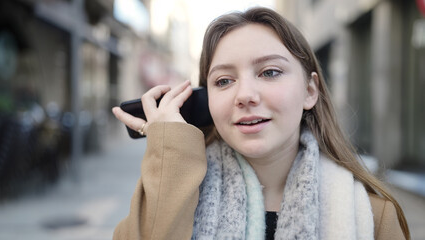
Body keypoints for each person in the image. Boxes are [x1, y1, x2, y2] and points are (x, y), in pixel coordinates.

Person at [111, 7, 410, 240]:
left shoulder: (374, 218)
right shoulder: (174, 190)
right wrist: (171, 151)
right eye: (224, 81)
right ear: (207, 101)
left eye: (269, 72)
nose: (245, 96)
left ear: (309, 91)